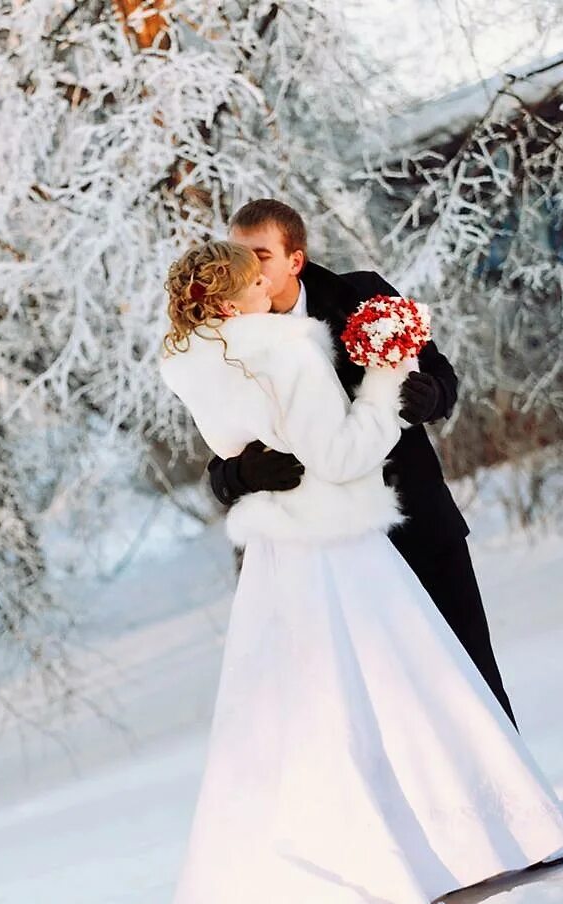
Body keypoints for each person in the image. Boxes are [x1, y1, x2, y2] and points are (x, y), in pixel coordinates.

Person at [148, 239, 563, 904]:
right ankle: (471, 841)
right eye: (251, 278)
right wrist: (383, 380)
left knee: (301, 714)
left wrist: (250, 466)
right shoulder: (283, 347)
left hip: (281, 558)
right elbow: (342, 455)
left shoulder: (192, 361)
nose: (267, 286)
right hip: (340, 542)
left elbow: (242, 446)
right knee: (412, 690)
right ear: (228, 298)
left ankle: (351, 854)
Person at [209, 199, 516, 726]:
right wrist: (243, 474)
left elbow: (441, 376)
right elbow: (220, 462)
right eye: (237, 256)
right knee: (379, 707)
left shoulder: (361, 295)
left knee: (471, 674)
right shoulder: (227, 341)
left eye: (259, 254)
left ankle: (516, 805)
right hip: (334, 555)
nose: (245, 269)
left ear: (295, 260)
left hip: (416, 521)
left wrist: (429, 396)